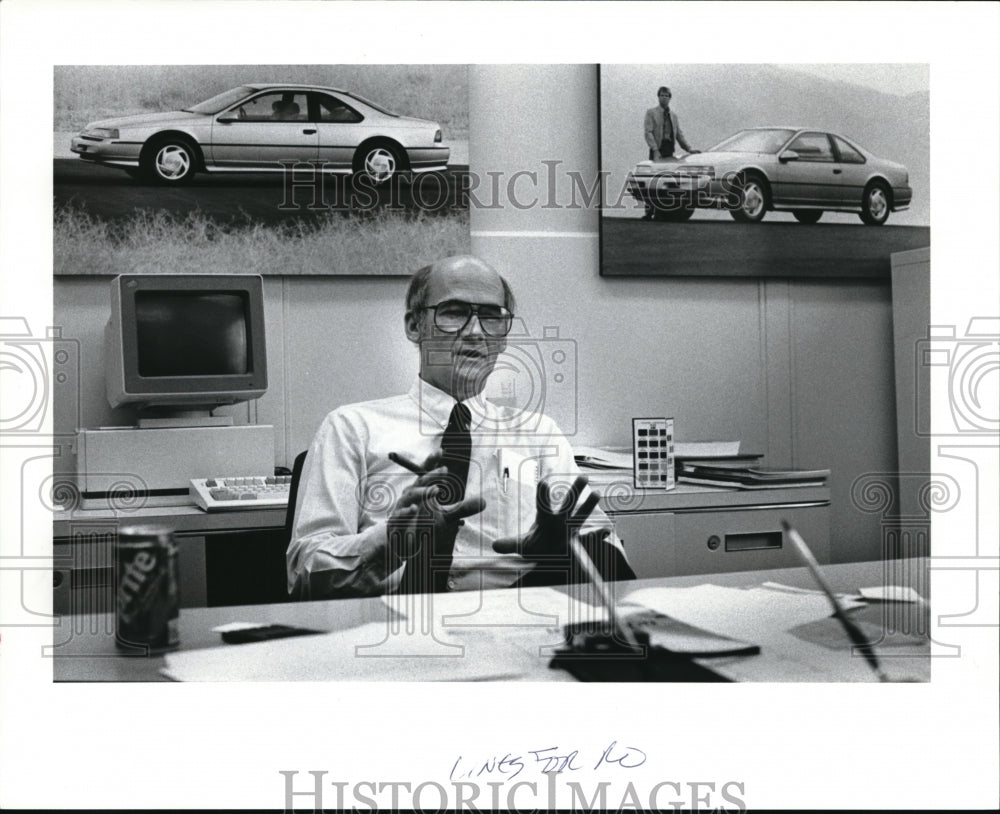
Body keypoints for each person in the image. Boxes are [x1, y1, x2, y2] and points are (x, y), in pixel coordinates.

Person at [286, 255, 634, 599]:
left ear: (503, 338)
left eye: (491, 317)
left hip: (516, 615)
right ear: (414, 326)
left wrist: (562, 551)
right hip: (396, 621)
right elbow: (302, 573)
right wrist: (389, 542)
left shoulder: (539, 433)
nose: (475, 331)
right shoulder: (352, 428)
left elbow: (609, 557)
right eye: (454, 312)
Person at [642, 86, 700, 220]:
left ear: (670, 98)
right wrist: (655, 150)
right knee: (653, 181)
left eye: (666, 95)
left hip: (669, 149)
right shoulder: (651, 112)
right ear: (658, 97)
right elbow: (648, 132)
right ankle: (649, 212)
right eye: (662, 95)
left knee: (667, 180)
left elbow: (679, 134)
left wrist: (689, 149)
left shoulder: (673, 116)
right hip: (657, 148)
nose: (664, 98)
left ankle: (662, 212)